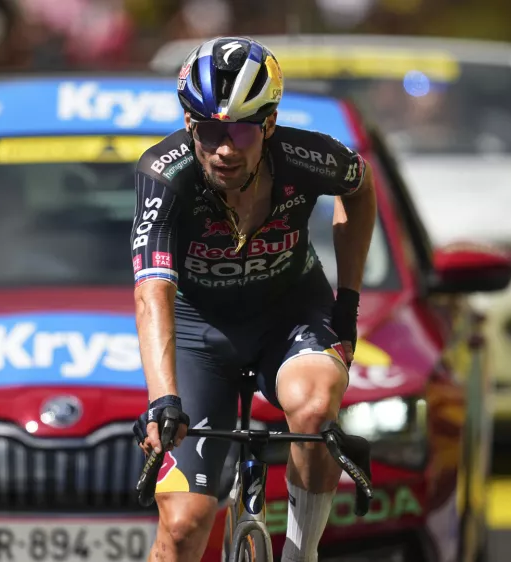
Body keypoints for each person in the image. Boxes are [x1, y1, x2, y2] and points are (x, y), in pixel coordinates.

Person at [130, 37, 377, 562]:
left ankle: (300, 552)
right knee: (182, 527)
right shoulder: (164, 174)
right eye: (209, 130)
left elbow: (360, 188)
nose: (225, 148)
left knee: (314, 409)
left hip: (291, 316)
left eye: (240, 130)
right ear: (190, 124)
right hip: (202, 336)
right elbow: (152, 292)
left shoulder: (307, 156)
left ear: (267, 125)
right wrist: (162, 401)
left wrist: (348, 303)